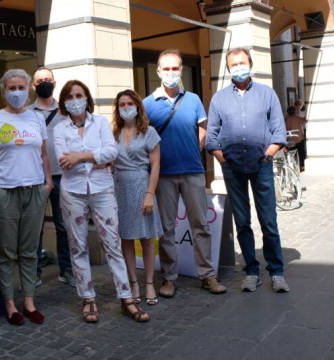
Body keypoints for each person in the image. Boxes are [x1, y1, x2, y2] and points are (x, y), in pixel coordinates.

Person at [54, 80, 149, 323]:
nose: (75, 100)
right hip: (73, 191)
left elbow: (111, 152)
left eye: (79, 95)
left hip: (102, 190)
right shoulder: (60, 128)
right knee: (78, 246)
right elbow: (63, 160)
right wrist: (93, 158)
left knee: (112, 244)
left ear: (87, 98)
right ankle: (88, 297)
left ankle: (126, 297)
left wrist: (81, 156)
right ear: (64, 102)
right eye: (70, 96)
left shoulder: (101, 123)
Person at [143, 49, 227, 298]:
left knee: (200, 225)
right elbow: (144, 139)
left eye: (175, 68)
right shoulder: (148, 104)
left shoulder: (193, 99)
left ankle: (207, 275)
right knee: (167, 229)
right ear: (158, 71)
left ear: (181, 70)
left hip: (192, 170)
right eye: (166, 69)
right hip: (164, 175)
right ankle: (169, 278)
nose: (171, 73)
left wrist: (192, 149)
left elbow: (203, 128)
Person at [206, 47, 290, 293]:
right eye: (234, 64)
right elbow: (211, 136)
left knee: (268, 220)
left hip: (261, 165)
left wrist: (268, 154)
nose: (239, 67)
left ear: (251, 64)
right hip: (233, 167)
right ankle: (251, 271)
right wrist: (223, 160)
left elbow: (279, 130)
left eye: (242, 63)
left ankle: (276, 271)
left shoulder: (267, 94)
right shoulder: (219, 99)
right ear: (229, 68)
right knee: (242, 221)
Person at [0, 69, 53, 326]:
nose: (17, 92)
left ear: (28, 89)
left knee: (30, 251)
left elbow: (44, 154)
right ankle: (10, 304)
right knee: (6, 252)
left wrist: (48, 182)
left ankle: (30, 302)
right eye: (11, 88)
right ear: (4, 91)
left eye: (21, 87)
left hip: (34, 190)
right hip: (5, 191)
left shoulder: (36, 119)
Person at [111, 89, 163, 306]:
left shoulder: (148, 132)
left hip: (142, 185)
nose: (125, 108)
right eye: (121, 105)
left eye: (129, 104)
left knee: (146, 238)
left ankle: (149, 282)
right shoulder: (113, 133)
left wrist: (149, 194)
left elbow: (156, 165)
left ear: (137, 106)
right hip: (119, 187)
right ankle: (133, 282)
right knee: (126, 238)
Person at [29, 67, 73, 286]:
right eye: (40, 81)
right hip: (36, 177)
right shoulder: (27, 112)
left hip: (63, 176)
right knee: (35, 227)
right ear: (33, 85)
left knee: (64, 226)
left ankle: (67, 270)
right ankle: (34, 273)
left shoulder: (66, 110)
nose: (44, 83)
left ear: (55, 83)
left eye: (47, 79)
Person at [284, 106, 307, 171]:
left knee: (292, 154)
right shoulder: (297, 118)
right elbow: (305, 120)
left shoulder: (286, 119)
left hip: (290, 140)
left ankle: (293, 166)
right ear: (294, 112)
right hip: (299, 139)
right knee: (301, 153)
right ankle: (302, 166)